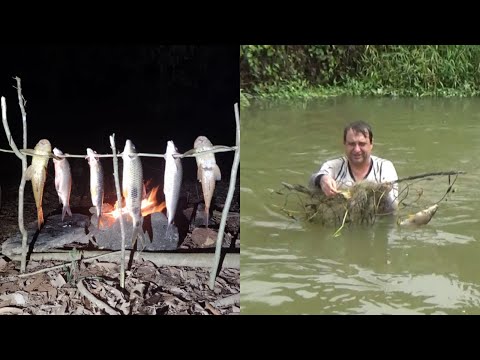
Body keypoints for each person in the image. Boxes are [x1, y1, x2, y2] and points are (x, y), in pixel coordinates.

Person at [309, 120, 399, 213]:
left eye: (362, 144)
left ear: (371, 144)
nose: (356, 149)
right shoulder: (333, 166)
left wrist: (380, 192)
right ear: (344, 144)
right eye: (351, 144)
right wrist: (322, 179)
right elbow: (312, 181)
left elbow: (393, 208)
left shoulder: (385, 167)